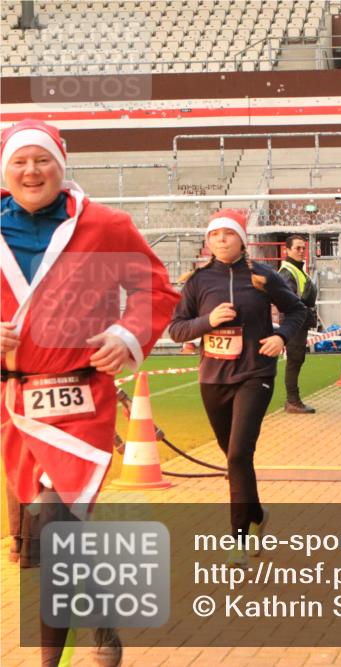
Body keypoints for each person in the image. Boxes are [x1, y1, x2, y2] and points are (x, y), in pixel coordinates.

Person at [1, 119, 179, 666]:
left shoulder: (104, 225)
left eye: (43, 160)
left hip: (82, 397)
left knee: (57, 525)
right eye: (20, 162)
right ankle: (102, 623)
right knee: (59, 534)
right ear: (6, 171)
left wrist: (126, 335)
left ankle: (49, 660)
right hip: (15, 403)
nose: (32, 171)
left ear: (62, 163)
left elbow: (155, 288)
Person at [168, 209, 305, 567]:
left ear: (243, 240)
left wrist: (280, 337)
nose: (221, 240)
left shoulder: (263, 276)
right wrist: (207, 322)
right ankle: (257, 513)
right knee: (233, 458)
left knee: (238, 455)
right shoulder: (197, 282)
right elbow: (177, 329)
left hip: (254, 373)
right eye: (214, 235)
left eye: (228, 234)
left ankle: (239, 539)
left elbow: (298, 312)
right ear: (207, 242)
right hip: (213, 378)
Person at [278, 234, 318, 414]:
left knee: (297, 359)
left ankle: (293, 400)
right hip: (293, 322)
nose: (302, 251)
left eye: (304, 248)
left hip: (298, 321)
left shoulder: (297, 270)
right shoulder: (288, 272)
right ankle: (292, 401)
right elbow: (290, 300)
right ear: (287, 250)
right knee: (294, 360)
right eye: (298, 248)